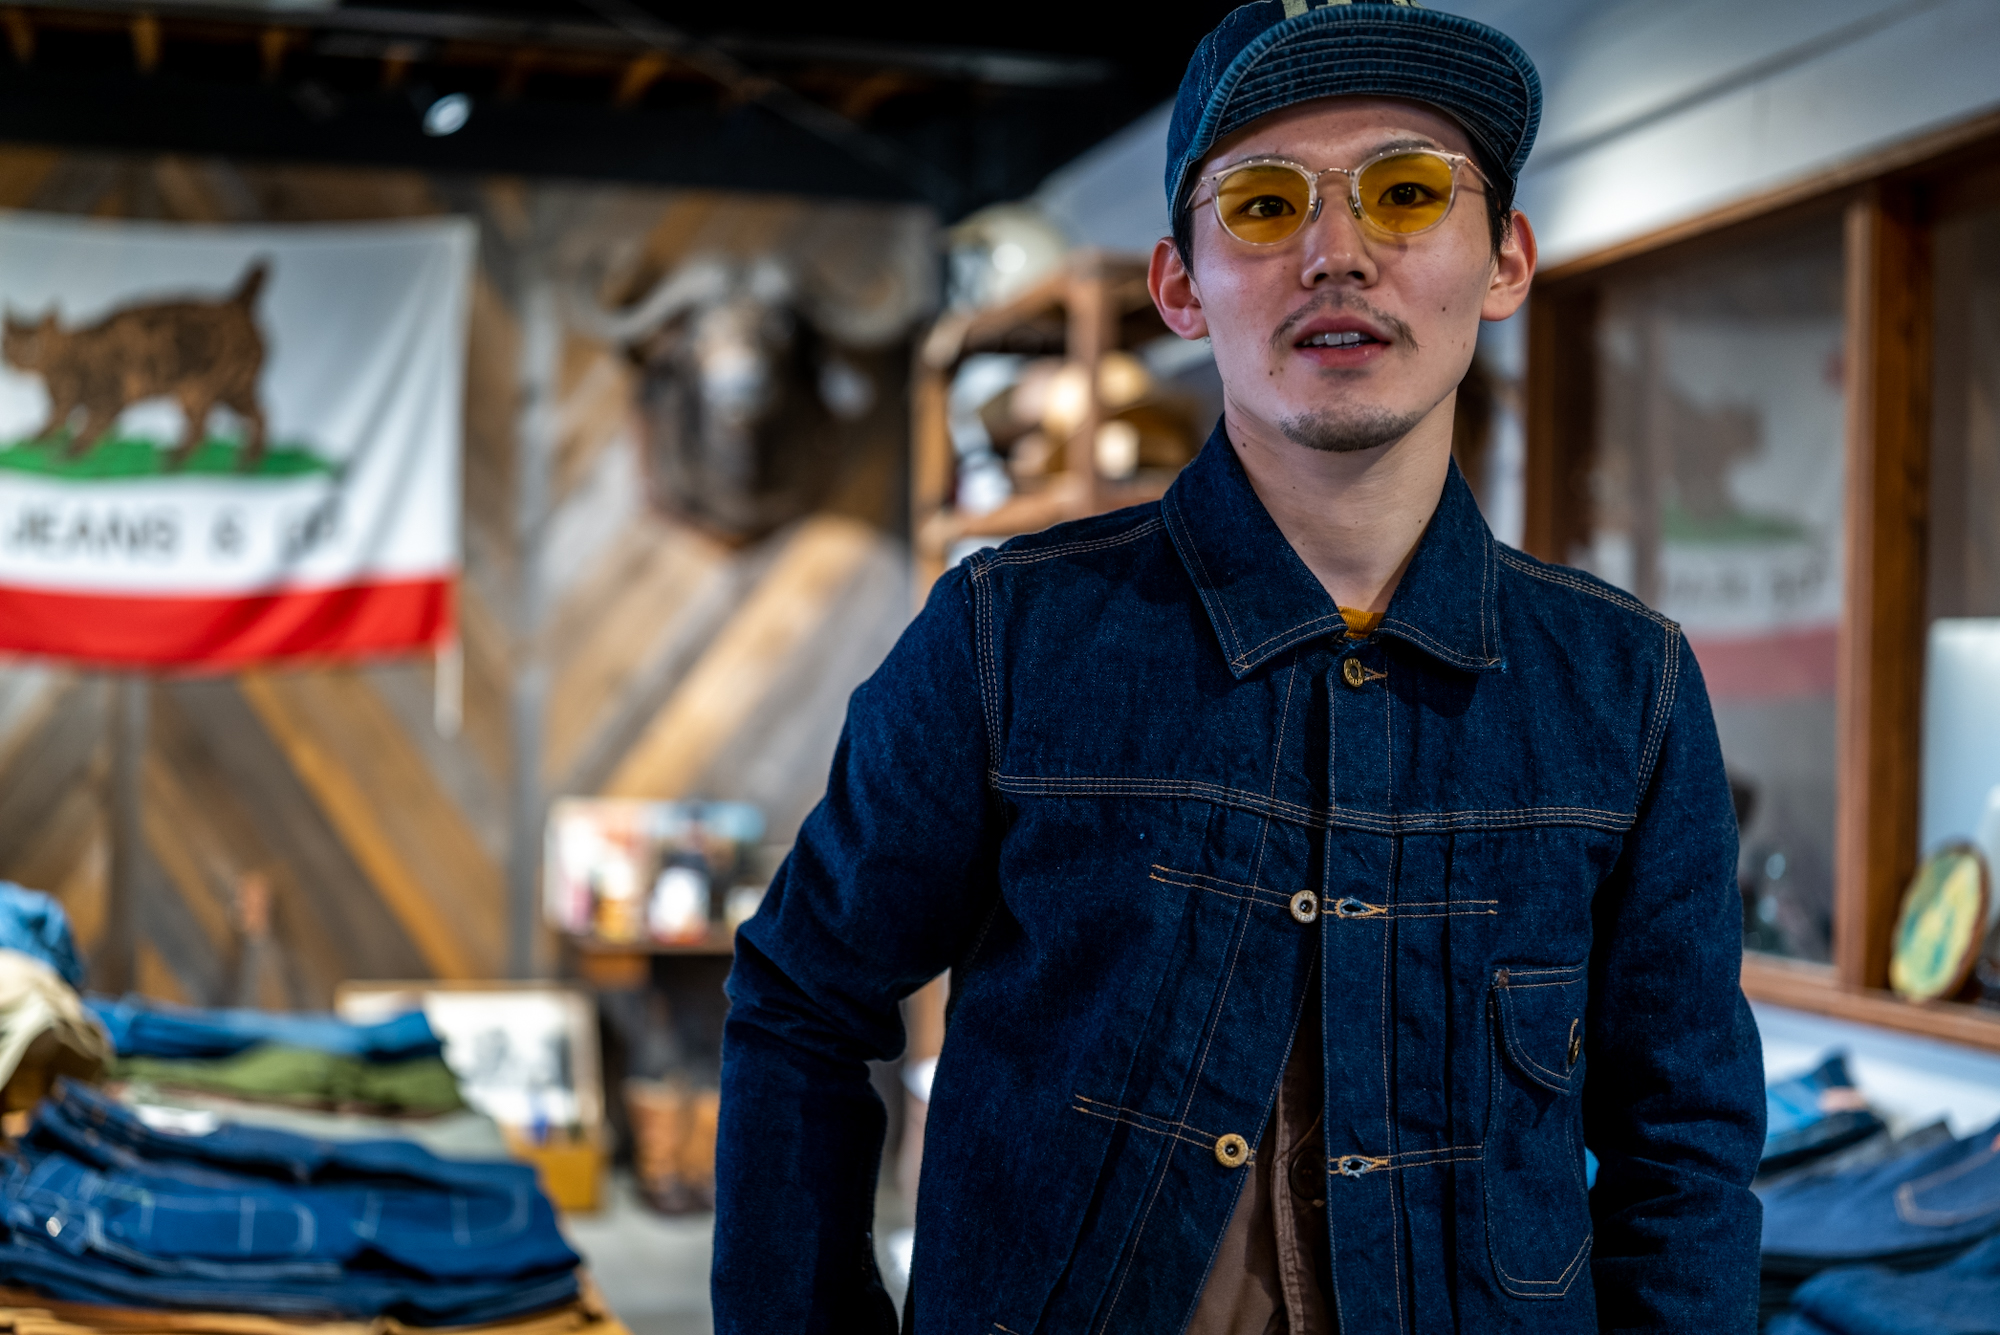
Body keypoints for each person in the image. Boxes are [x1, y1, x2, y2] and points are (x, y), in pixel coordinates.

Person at [712, 2, 1766, 1331]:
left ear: (1505, 258)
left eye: (1406, 192)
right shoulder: (1007, 638)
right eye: (1266, 205)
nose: (1339, 252)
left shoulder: (1626, 687)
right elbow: (803, 1004)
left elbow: (1684, 1146)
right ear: (1180, 287)